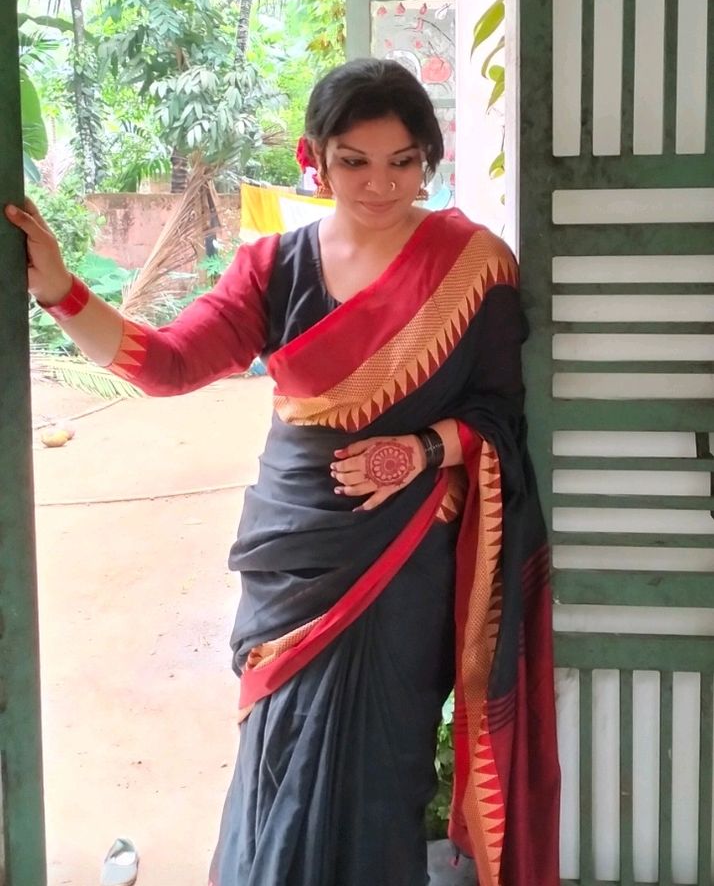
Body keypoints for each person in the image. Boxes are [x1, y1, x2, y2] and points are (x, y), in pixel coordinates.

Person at [5, 57, 560, 886]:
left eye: (403, 162)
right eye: (355, 161)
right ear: (315, 157)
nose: (380, 184)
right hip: (294, 551)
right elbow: (164, 363)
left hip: (402, 558)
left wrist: (420, 449)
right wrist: (59, 290)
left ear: (428, 160)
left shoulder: (473, 265)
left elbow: (498, 417)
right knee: (280, 752)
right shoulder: (274, 268)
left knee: (382, 764)